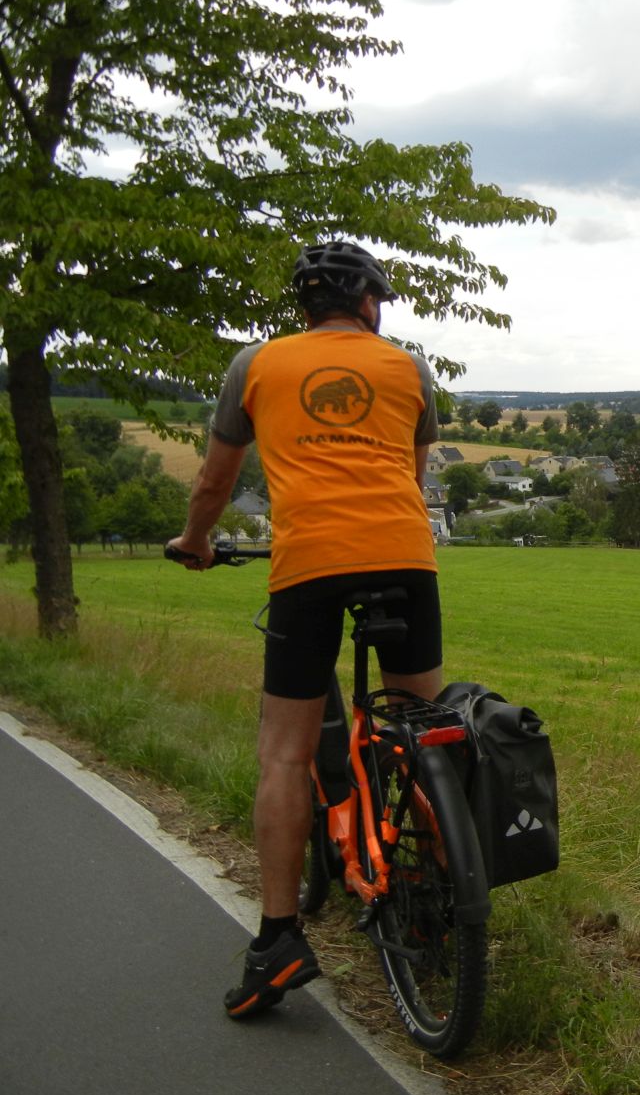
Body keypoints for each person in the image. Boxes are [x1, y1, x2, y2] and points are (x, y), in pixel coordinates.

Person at [167, 241, 442, 1018]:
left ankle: (278, 941)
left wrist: (194, 543)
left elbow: (216, 479)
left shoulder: (254, 366)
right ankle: (439, 882)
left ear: (305, 307)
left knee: (284, 755)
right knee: (421, 728)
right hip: (403, 557)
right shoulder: (411, 369)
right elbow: (411, 479)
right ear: (368, 302)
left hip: (309, 565)